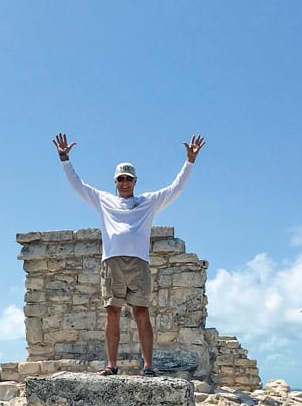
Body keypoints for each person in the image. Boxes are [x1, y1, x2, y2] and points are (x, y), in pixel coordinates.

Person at [53, 132, 205, 376]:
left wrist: (189, 161)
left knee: (141, 311)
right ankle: (111, 366)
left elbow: (175, 188)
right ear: (115, 181)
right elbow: (78, 185)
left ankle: (148, 366)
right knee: (112, 311)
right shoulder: (103, 200)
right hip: (112, 262)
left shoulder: (148, 202)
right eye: (121, 178)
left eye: (129, 179)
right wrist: (64, 159)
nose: (125, 182)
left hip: (139, 264)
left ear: (135, 182)